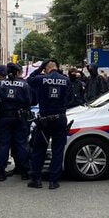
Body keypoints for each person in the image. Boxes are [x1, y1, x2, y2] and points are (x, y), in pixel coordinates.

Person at [27, 58, 72, 189]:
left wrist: (39, 69)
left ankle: (36, 179)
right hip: (60, 118)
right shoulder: (66, 80)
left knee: (39, 149)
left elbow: (29, 80)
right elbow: (69, 98)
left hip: (44, 120)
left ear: (46, 68)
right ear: (57, 67)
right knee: (57, 150)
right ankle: (53, 181)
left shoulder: (41, 79)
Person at [0, 62, 32, 182]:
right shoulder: (24, 85)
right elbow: (28, 102)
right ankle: (24, 172)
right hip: (20, 118)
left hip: (4, 117)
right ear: (17, 72)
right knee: (21, 144)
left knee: (3, 145)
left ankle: (0, 172)